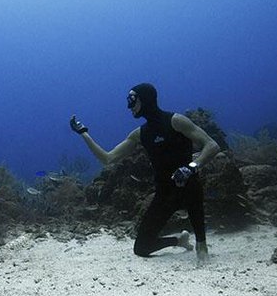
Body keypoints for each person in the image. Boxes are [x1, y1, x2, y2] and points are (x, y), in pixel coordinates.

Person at [70, 83, 219, 262]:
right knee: (141, 248)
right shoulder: (140, 134)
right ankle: (179, 240)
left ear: (145, 100)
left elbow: (212, 145)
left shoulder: (176, 121)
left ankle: (202, 245)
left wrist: (191, 167)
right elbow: (108, 158)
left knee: (192, 190)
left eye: (132, 100)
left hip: (189, 186)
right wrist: (83, 133)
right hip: (164, 193)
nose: (129, 106)